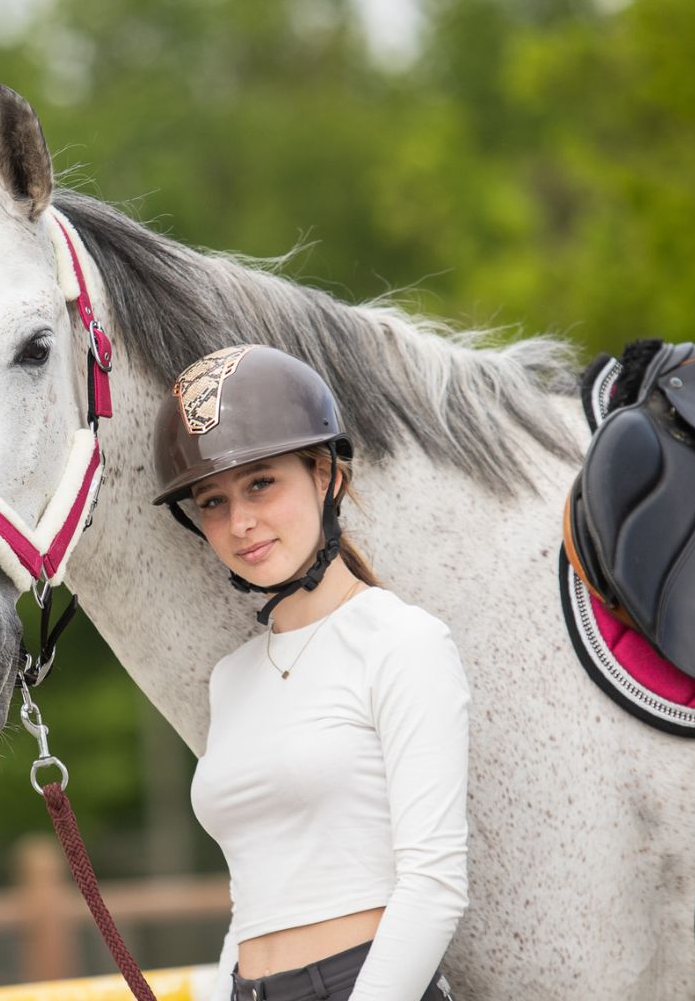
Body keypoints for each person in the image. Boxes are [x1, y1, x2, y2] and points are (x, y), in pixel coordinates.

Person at [151, 345, 469, 1001]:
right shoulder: (231, 678)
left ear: (324, 475)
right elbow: (251, 899)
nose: (240, 523)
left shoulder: (401, 641)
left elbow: (434, 884)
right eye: (212, 502)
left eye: (261, 483)